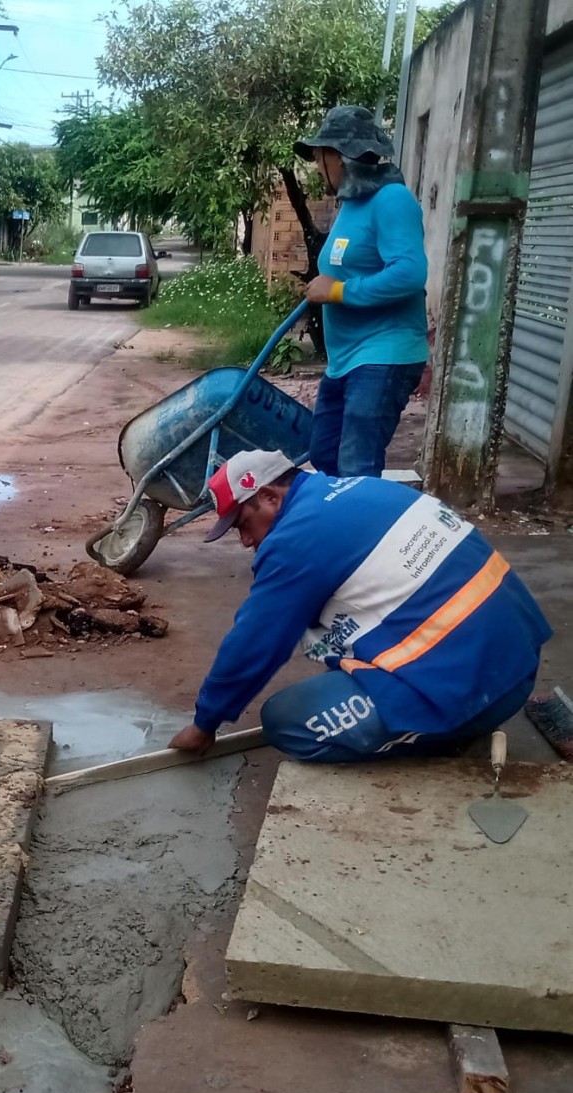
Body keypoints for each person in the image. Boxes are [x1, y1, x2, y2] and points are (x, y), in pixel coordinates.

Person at [167, 450, 551, 764]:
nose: (247, 541)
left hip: (483, 691)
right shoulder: (362, 489)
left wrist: (206, 723)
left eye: (244, 525)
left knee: (285, 722)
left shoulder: (296, 538)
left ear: (270, 496)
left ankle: (447, 736)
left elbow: (255, 642)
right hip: (517, 661)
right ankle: (452, 712)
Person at [295, 106, 429, 478]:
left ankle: (364, 535)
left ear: (337, 156)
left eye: (319, 157)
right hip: (346, 360)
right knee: (325, 455)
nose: (317, 167)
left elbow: (410, 273)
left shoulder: (392, 200)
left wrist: (337, 290)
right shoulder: (352, 204)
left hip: (383, 354)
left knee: (356, 467)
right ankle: (344, 530)